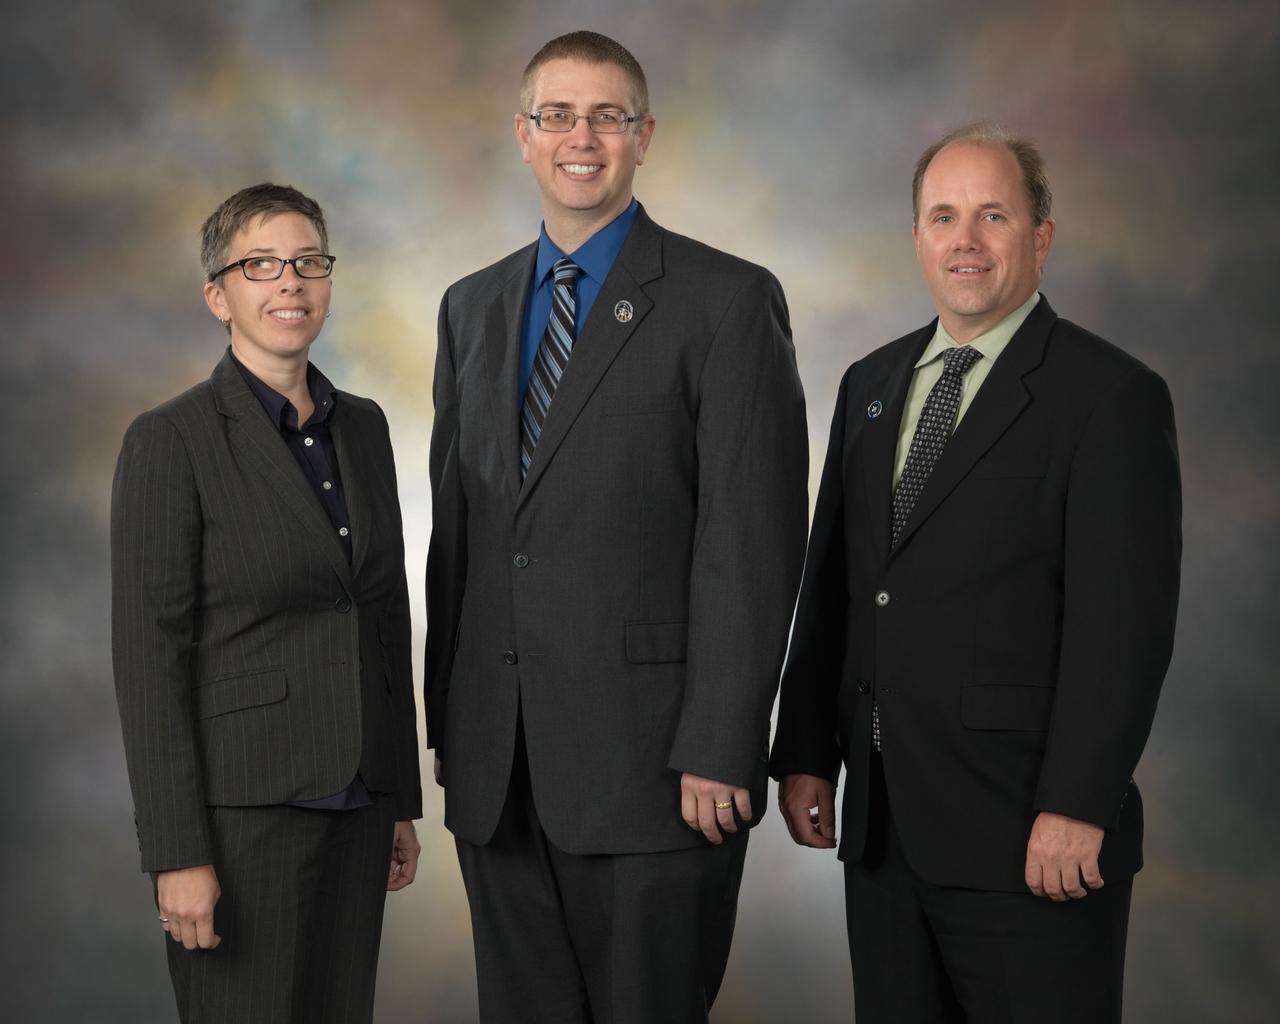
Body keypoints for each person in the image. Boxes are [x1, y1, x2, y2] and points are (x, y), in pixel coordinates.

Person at [425, 30, 808, 1023]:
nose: (580, 136)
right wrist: (447, 727)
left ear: (643, 136)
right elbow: (460, 542)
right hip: (496, 768)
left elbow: (751, 542)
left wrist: (723, 738)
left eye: (606, 115)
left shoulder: (726, 301)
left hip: (657, 768)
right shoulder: (470, 308)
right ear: (522, 134)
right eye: (557, 115)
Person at [771, 123, 1181, 1023]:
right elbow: (837, 584)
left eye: (993, 215)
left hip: (1030, 836)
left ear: (1041, 235)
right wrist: (805, 752)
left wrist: (1079, 804)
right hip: (883, 836)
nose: (965, 240)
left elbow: (1124, 627)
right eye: (943, 216)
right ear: (917, 237)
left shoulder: (1109, 397)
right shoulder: (870, 384)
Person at [111, 183, 422, 1024]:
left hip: (358, 808)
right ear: (220, 295)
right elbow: (150, 663)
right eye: (262, 265)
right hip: (241, 824)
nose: (291, 282)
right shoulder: (170, 440)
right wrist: (176, 853)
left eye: (309, 262)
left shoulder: (365, 428)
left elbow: (384, 617)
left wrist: (398, 796)